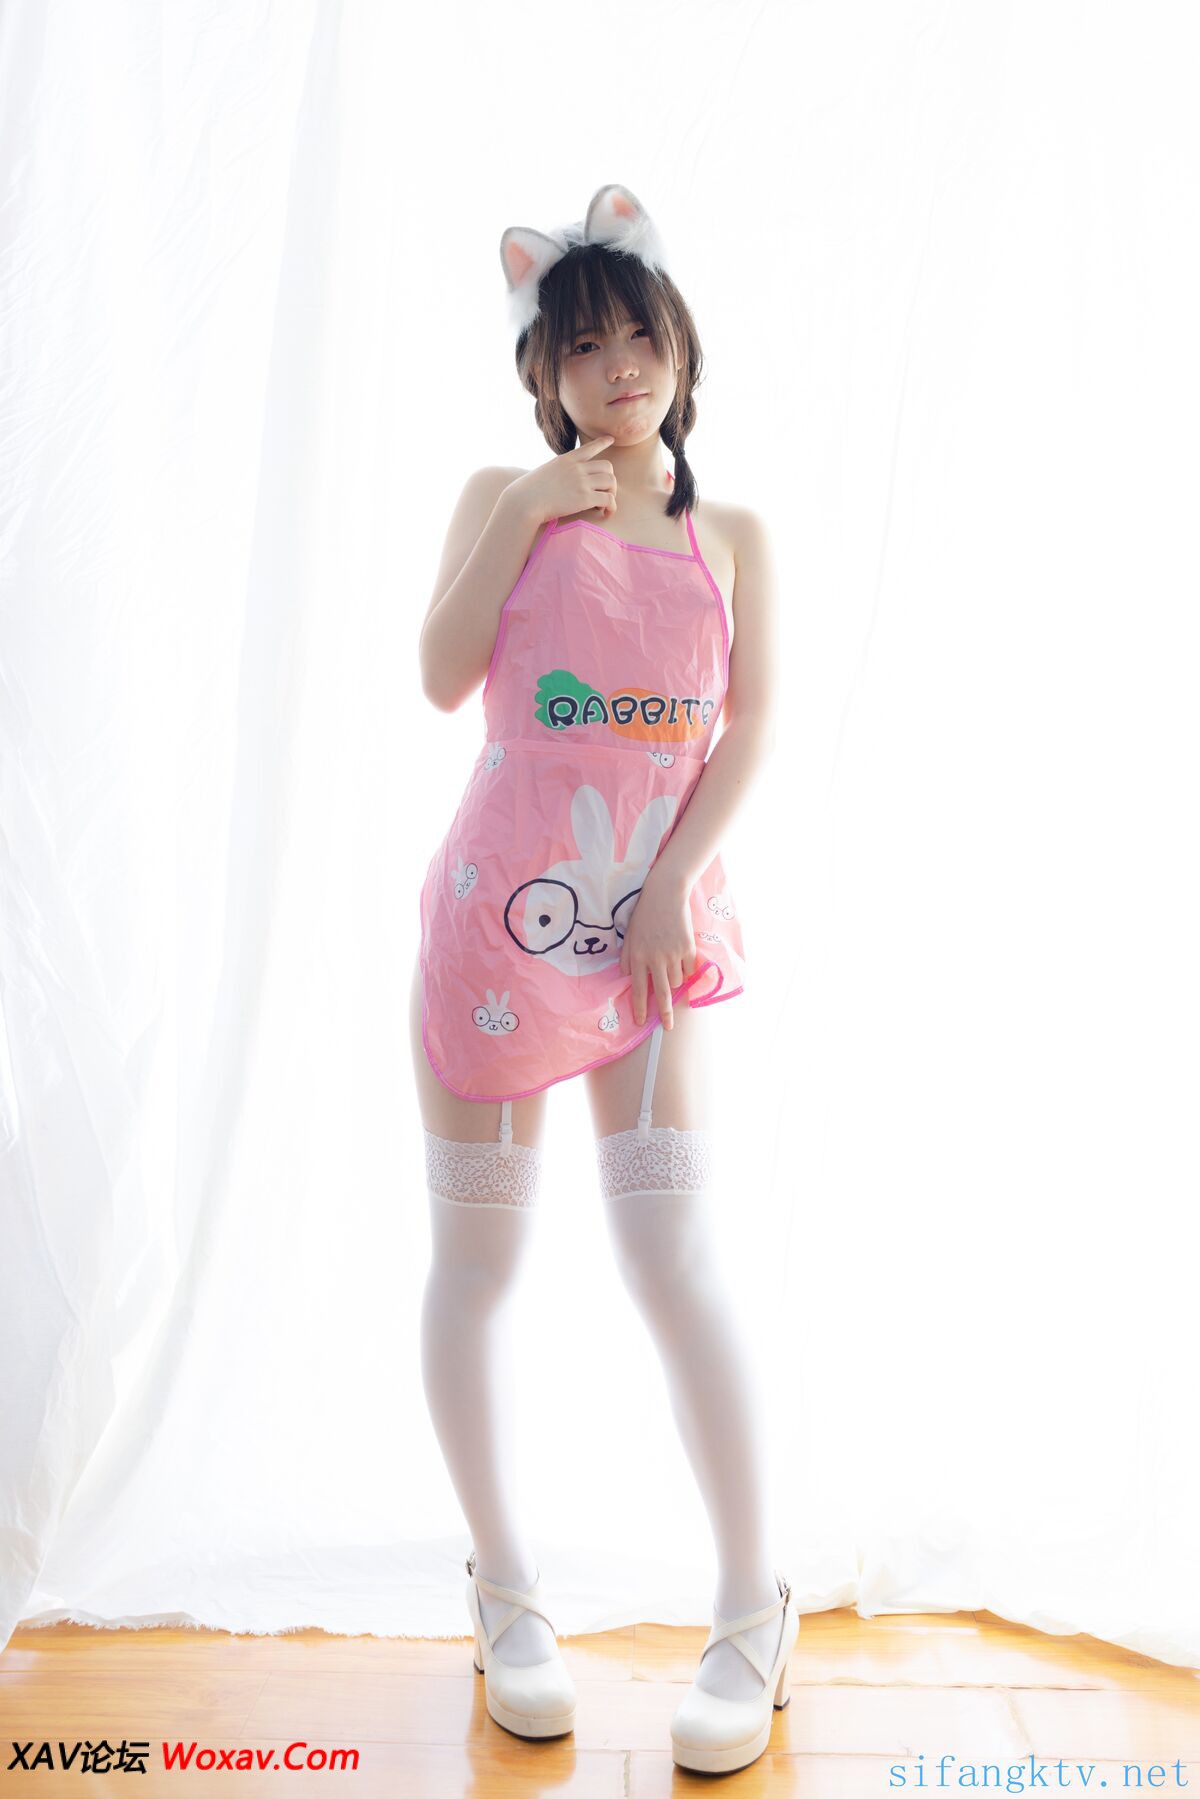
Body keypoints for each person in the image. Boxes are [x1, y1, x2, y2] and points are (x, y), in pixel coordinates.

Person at [409, 183, 792, 1776]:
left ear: (680, 350)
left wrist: (676, 886)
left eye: (639, 336)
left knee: (672, 1259)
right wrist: (522, 513)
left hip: (648, 946)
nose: (617, 366)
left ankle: (752, 1609)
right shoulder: (503, 497)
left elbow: (747, 729)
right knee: (479, 1268)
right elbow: (441, 676)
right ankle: (506, 1598)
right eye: (582, 346)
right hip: (495, 935)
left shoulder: (732, 538)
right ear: (542, 371)